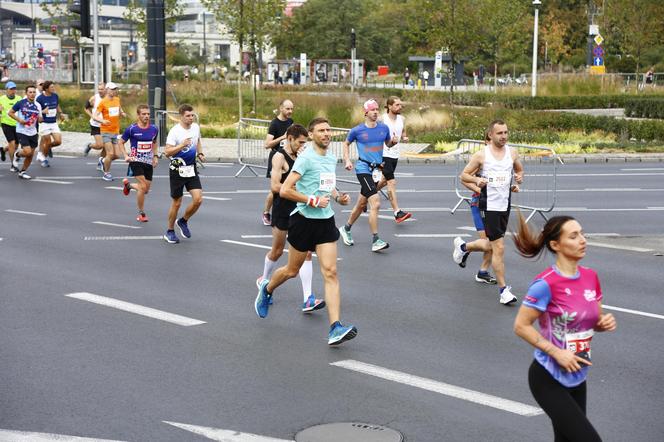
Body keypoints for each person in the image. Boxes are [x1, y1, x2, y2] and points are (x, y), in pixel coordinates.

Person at [513, 215, 616, 442]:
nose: (583, 240)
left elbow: (593, 321)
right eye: (574, 236)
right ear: (555, 245)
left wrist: (602, 324)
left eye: (582, 233)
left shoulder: (591, 277)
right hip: (548, 377)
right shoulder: (545, 284)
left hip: (578, 374)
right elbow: (521, 326)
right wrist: (557, 352)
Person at [254, 117, 357, 346]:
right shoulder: (305, 159)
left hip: (325, 221)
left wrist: (338, 197)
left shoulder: (331, 157)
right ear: (311, 135)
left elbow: (327, 184)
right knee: (292, 270)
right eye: (321, 130)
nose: (327, 134)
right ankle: (267, 288)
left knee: (330, 272)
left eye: (329, 130)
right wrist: (311, 199)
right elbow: (285, 190)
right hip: (302, 221)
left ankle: (335, 327)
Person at [452, 119, 523, 305]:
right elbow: (464, 176)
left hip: (504, 205)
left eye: (506, 132)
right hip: (486, 205)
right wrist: (477, 182)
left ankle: (463, 248)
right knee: (498, 247)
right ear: (490, 135)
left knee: (491, 246)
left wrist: (517, 181)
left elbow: (519, 170)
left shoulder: (512, 152)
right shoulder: (481, 155)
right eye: (500, 133)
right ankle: (503, 291)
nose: (504, 136)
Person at [257, 124, 325, 313]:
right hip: (283, 209)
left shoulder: (303, 156)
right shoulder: (279, 157)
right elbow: (275, 186)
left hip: (300, 208)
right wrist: (294, 190)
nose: (303, 146)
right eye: (300, 142)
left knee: (307, 252)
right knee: (277, 251)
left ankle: (308, 299)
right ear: (290, 139)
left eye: (305, 142)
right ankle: (264, 281)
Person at [339, 99, 397, 252]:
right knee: (375, 203)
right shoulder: (357, 130)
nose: (376, 112)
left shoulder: (384, 128)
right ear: (365, 112)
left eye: (377, 109)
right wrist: (347, 160)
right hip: (363, 169)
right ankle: (376, 240)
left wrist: (394, 142)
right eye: (372, 109)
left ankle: (346, 228)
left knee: (360, 204)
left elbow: (388, 143)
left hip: (377, 171)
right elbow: (345, 144)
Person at [163, 104, 204, 244]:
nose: (191, 118)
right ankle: (169, 231)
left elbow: (197, 141)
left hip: (191, 168)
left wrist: (201, 153)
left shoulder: (196, 127)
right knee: (177, 202)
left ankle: (183, 221)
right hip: (177, 169)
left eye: (192, 115)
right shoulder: (175, 131)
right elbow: (167, 152)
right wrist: (181, 145)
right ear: (181, 116)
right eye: (188, 116)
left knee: (198, 199)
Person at [120, 104, 159, 222]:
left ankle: (128, 185)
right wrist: (126, 155)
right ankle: (141, 213)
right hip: (135, 160)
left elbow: (154, 143)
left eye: (148, 114)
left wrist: (155, 156)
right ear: (138, 115)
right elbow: (120, 142)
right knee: (142, 186)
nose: (147, 116)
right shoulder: (132, 129)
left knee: (146, 190)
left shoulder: (154, 129)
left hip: (148, 162)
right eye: (144, 114)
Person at [378, 96, 413, 224]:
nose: (400, 107)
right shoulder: (382, 119)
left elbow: (403, 131)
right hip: (382, 153)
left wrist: (404, 137)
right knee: (391, 182)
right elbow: (375, 134)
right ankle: (397, 212)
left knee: (383, 181)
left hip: (394, 154)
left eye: (400, 105)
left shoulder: (402, 119)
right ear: (389, 106)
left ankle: (366, 196)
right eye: (397, 105)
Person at [262, 99, 294, 225]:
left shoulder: (291, 122)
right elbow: (267, 144)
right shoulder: (274, 124)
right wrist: (282, 137)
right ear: (281, 108)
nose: (290, 111)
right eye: (287, 109)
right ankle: (266, 213)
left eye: (292, 109)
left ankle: (287, 213)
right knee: (274, 189)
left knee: (289, 186)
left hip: (288, 158)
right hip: (276, 157)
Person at [8, 84, 43, 180]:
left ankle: (22, 172)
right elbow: (10, 113)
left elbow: (39, 119)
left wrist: (41, 118)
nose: (32, 94)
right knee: (27, 151)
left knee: (30, 154)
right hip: (22, 130)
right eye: (30, 92)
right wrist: (19, 120)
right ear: (26, 93)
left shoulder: (38, 105)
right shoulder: (21, 103)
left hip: (33, 132)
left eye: (34, 92)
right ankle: (17, 154)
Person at [94, 82, 126, 181]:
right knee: (110, 154)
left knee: (116, 155)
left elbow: (119, 109)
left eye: (115, 89)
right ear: (107, 90)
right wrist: (102, 120)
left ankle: (103, 161)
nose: (114, 91)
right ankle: (106, 173)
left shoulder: (117, 99)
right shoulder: (103, 102)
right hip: (106, 131)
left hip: (115, 131)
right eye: (112, 89)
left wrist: (122, 112)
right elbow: (95, 116)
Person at [35, 81, 65, 167]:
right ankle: (44, 159)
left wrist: (61, 113)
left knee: (58, 141)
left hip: (53, 122)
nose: (53, 88)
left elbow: (57, 105)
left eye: (53, 87)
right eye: (52, 87)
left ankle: (47, 148)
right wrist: (42, 112)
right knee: (47, 141)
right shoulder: (40, 98)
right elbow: (35, 111)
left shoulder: (55, 96)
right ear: (46, 89)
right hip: (44, 123)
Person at [84, 82, 107, 171]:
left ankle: (100, 163)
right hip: (96, 125)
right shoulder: (94, 98)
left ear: (106, 89)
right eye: (99, 89)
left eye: (102, 89)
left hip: (106, 125)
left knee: (105, 146)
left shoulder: (109, 98)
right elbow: (86, 108)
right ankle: (89, 146)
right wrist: (92, 116)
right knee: (100, 145)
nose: (100, 91)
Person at [0, 81, 22, 169]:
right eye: (11, 89)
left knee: (16, 145)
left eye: (14, 89)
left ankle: (3, 150)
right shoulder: (1, 99)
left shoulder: (19, 98)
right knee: (12, 143)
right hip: (6, 123)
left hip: (17, 124)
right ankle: (13, 165)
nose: (13, 91)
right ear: (7, 90)